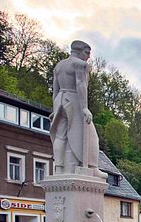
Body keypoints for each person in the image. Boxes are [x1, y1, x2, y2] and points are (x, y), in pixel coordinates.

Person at [49, 40, 106, 178]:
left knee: (60, 135)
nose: (88, 56)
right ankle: (92, 167)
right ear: (79, 51)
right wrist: (85, 108)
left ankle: (59, 167)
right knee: (92, 135)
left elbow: (55, 90)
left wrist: (55, 107)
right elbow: (80, 84)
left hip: (60, 99)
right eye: (87, 52)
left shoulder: (59, 66)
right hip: (74, 100)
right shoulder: (79, 64)